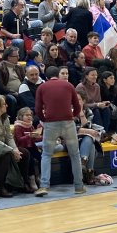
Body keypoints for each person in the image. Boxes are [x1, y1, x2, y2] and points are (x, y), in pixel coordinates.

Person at [34, 66, 84, 196]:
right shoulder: (69, 86)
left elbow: (38, 109)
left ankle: (44, 186)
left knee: (46, 155)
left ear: (46, 76)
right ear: (58, 74)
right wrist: (73, 116)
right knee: (75, 154)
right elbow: (77, 106)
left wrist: (44, 119)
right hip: (68, 122)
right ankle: (79, 186)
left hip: (51, 123)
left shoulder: (42, 87)